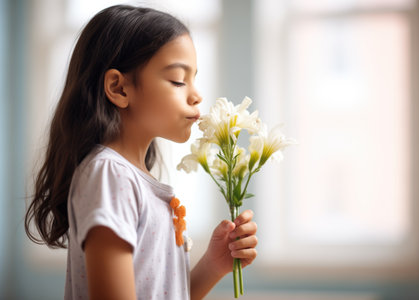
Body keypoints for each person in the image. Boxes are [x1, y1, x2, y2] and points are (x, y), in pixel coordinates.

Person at [24, 5, 257, 300]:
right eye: (177, 80)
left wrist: (213, 265)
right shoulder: (111, 175)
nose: (197, 95)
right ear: (119, 88)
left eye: (194, 78)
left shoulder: (129, 179)